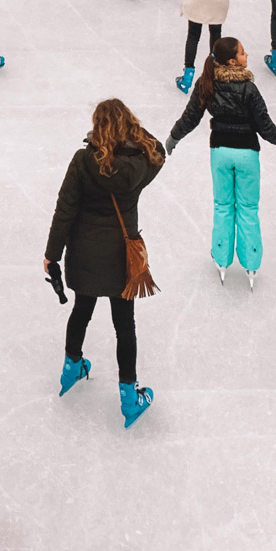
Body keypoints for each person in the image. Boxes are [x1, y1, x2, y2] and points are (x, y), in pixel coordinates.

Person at [43, 98, 164, 428]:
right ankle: (129, 397)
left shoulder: (83, 161)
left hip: (84, 252)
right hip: (120, 258)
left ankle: (72, 368)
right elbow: (158, 149)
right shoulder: (140, 163)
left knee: (82, 310)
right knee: (124, 326)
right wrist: (133, 128)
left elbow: (64, 210)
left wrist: (52, 254)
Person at [166, 36, 276, 286]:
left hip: (221, 153)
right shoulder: (249, 88)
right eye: (243, 53)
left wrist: (173, 137)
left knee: (223, 206)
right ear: (233, 61)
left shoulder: (207, 82)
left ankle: (222, 257)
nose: (247, 56)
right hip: (247, 154)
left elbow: (191, 117)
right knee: (248, 208)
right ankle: (251, 263)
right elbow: (264, 126)